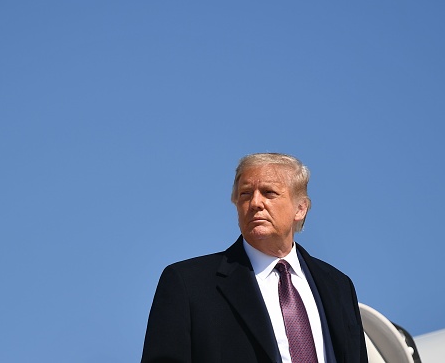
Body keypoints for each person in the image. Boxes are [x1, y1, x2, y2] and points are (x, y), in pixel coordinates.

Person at [141, 153, 367, 363]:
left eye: (269, 193)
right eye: (245, 194)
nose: (255, 203)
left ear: (300, 208)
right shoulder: (188, 283)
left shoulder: (339, 286)